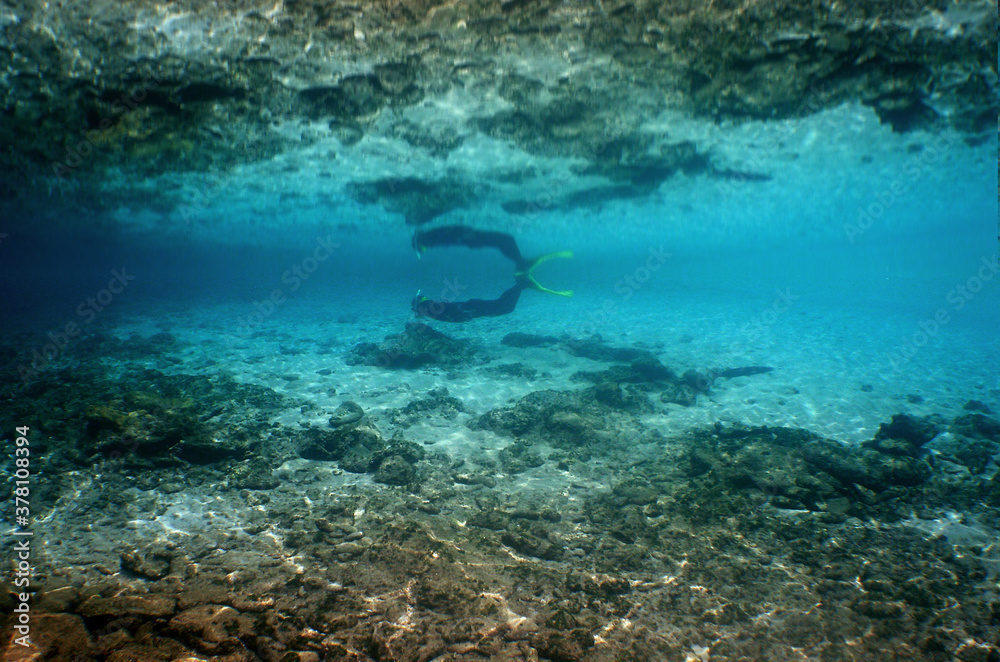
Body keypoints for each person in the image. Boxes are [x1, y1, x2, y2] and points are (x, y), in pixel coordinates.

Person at [410, 225, 572, 323]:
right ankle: (522, 283)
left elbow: (437, 308)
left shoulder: (425, 308)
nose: (424, 299)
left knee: (504, 307)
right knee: (504, 307)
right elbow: (441, 308)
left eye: (423, 299)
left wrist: (419, 312)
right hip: (469, 309)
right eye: (422, 298)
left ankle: (522, 283)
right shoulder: (426, 307)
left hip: (469, 309)